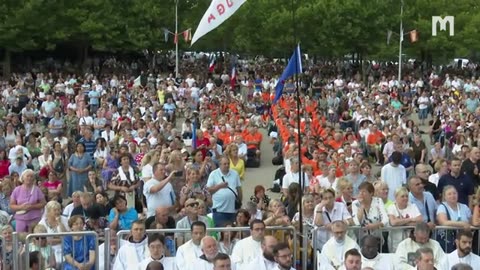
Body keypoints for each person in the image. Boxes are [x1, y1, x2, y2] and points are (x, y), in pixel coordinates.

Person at [206, 156, 242, 226]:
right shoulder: (213, 174)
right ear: (220, 165)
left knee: (232, 232)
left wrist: (239, 202)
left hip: (233, 210)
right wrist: (219, 186)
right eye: (225, 164)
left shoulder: (235, 174)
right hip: (219, 210)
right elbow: (208, 190)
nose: (227, 165)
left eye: (228, 164)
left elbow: (239, 189)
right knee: (221, 232)